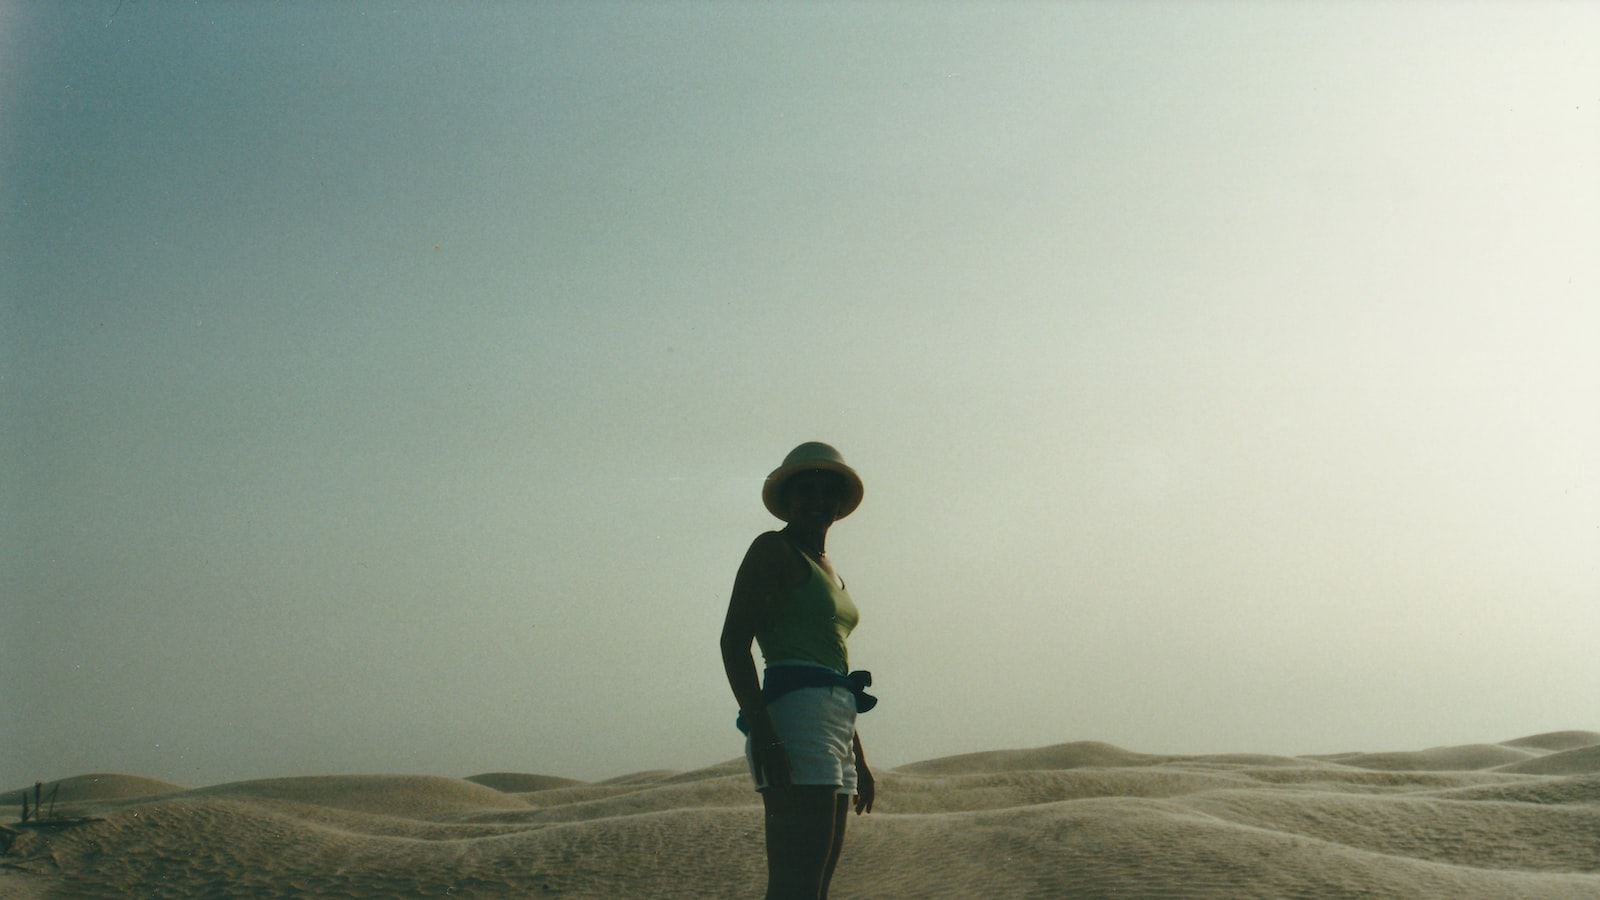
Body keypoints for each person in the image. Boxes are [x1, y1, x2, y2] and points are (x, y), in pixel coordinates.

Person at [720, 442, 877, 900]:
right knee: (796, 886)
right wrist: (765, 732)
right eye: (806, 492)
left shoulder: (831, 569)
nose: (818, 502)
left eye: (828, 493)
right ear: (788, 500)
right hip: (794, 721)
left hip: (835, 725)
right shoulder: (773, 549)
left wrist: (858, 756)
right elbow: (733, 642)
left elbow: (836, 668)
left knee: (818, 885)